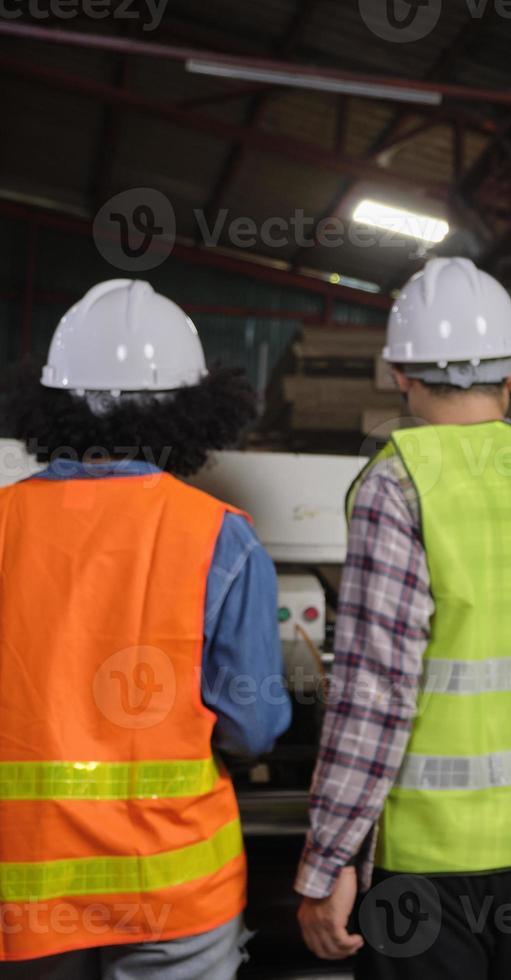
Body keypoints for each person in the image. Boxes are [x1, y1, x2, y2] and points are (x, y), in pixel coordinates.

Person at [296, 257, 511, 980]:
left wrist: (327, 860)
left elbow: (375, 692)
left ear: (398, 373)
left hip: (428, 867)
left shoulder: (397, 483)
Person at [0, 279, 290, 975]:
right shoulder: (222, 537)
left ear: (55, 404)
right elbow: (254, 726)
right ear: (192, 411)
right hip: (174, 886)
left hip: (25, 888)